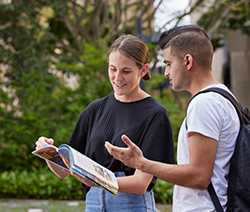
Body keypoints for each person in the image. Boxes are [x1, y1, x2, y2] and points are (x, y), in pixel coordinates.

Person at [105, 25, 240, 212]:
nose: (166, 72)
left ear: (187, 61)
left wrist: (141, 163)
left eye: (168, 63)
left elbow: (198, 176)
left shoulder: (204, 104)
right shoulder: (224, 97)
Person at [35, 34, 175, 212]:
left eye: (126, 71)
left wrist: (98, 181)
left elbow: (141, 183)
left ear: (144, 70)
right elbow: (64, 170)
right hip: (93, 205)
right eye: (112, 69)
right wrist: (47, 152)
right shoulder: (94, 110)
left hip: (132, 206)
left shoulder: (155, 114)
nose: (117, 77)